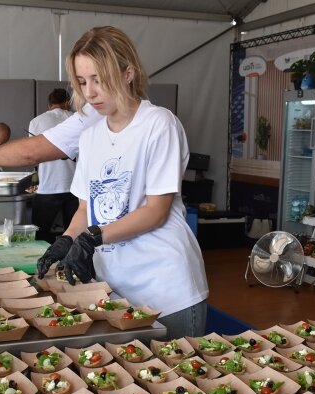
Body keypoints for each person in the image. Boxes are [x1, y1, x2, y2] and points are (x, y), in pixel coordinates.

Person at [34, 26, 208, 339]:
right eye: (83, 81)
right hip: (113, 291)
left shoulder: (158, 124)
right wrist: (68, 239)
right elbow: (86, 208)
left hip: (167, 290)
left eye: (98, 80)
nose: (89, 93)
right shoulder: (90, 136)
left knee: (177, 384)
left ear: (128, 73)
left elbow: (156, 211)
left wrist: (91, 238)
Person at [28, 88, 79, 243]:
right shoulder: (77, 118)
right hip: (75, 186)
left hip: (48, 187)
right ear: (67, 103)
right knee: (74, 235)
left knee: (40, 234)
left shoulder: (37, 121)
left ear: (50, 104)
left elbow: (32, 155)